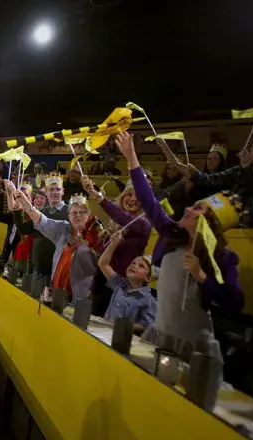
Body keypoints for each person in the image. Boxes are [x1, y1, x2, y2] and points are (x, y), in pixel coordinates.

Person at [116, 131, 244, 361]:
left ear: (210, 224)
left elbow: (235, 302)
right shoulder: (171, 234)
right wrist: (131, 157)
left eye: (197, 210)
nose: (188, 209)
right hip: (161, 336)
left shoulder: (223, 257)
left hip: (194, 348)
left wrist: (202, 275)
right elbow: (148, 200)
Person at [14, 189, 103, 301]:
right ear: (69, 216)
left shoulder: (95, 236)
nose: (78, 216)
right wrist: (25, 201)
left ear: (88, 214)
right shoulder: (62, 229)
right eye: (74, 212)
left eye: (82, 212)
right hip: (57, 290)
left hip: (80, 296)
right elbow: (42, 221)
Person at [83, 175, 152, 316]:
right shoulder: (114, 224)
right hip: (102, 285)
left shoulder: (143, 224)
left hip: (121, 287)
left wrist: (97, 196)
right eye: (128, 194)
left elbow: (122, 217)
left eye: (138, 196)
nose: (132, 199)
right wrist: (93, 288)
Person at [177, 131, 253, 228]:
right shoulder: (238, 170)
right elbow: (213, 179)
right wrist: (195, 173)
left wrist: (246, 168)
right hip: (233, 219)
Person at [9, 173, 68, 290]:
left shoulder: (69, 212)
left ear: (63, 191)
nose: (55, 192)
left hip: (59, 270)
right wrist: (17, 212)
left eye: (58, 189)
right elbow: (24, 230)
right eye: (51, 189)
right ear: (46, 192)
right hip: (38, 267)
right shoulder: (42, 212)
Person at [98, 231, 157, 333]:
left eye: (141, 266)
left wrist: (124, 326)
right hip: (103, 331)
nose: (134, 266)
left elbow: (148, 324)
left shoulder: (148, 299)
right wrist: (113, 244)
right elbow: (103, 264)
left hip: (121, 337)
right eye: (133, 263)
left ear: (148, 278)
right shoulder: (119, 283)